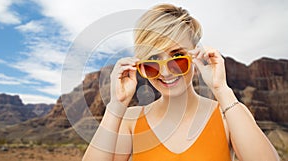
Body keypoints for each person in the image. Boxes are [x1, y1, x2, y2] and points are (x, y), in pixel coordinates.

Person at [82, 3, 279, 161]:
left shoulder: (228, 115)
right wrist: (116, 106)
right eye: (154, 61)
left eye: (177, 56)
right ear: (142, 66)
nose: (166, 71)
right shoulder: (130, 121)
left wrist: (221, 89)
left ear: (195, 55)